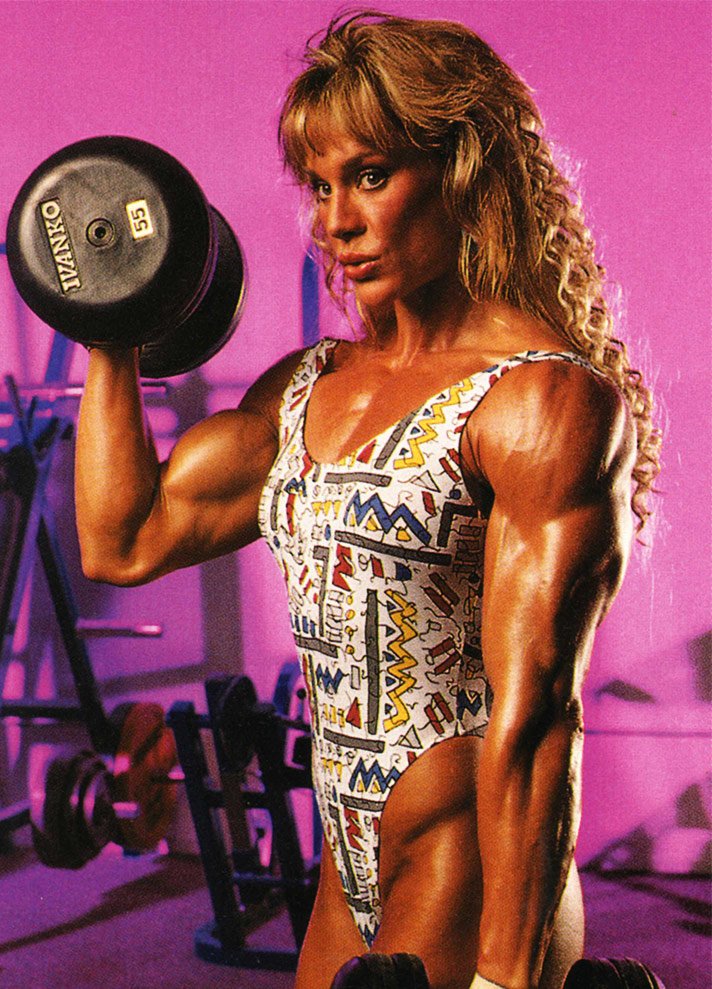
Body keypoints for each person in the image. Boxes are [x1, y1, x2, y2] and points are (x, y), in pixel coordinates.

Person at [74, 11, 660, 989]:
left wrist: (504, 980)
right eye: (320, 185)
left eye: (372, 175)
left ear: (461, 171)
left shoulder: (538, 401)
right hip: (346, 847)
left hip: (463, 843)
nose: (336, 219)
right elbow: (121, 538)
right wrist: (108, 314)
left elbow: (536, 715)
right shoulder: (307, 386)